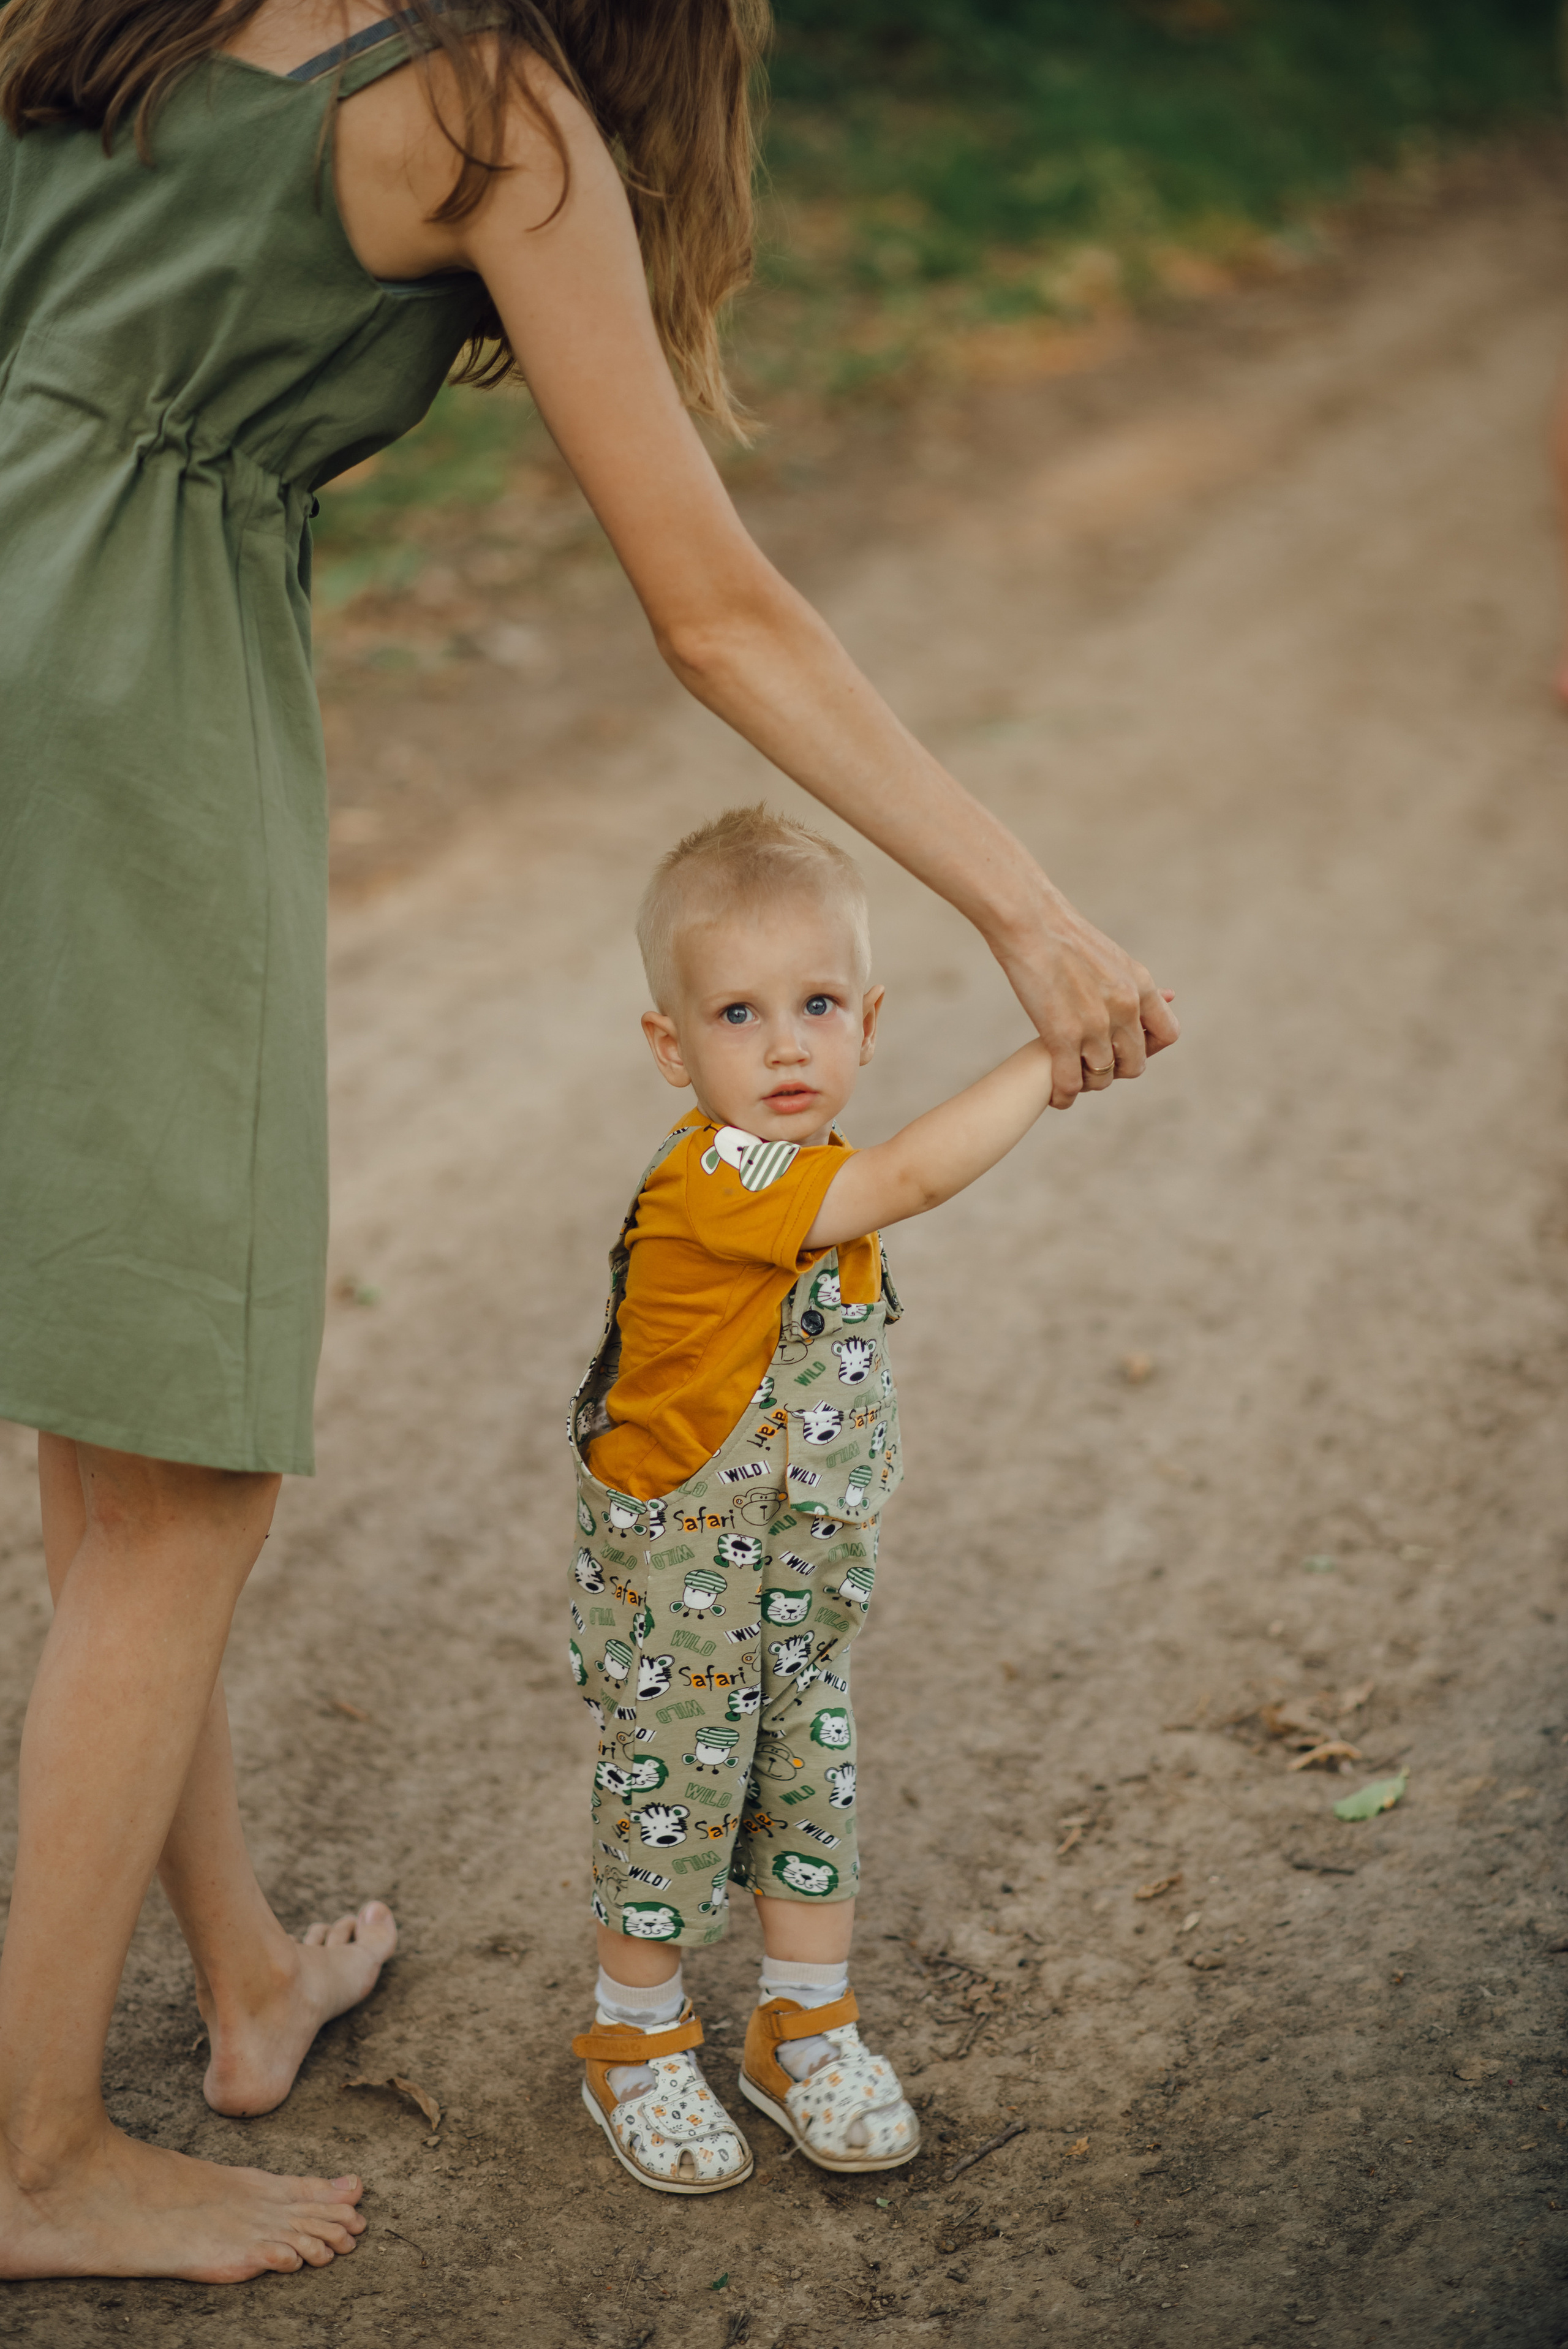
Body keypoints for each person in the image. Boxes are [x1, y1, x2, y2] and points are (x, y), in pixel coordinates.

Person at [0, 0, 1177, 2287]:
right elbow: (717, 605)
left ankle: (243, 1975)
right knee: (182, 1464)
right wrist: (1025, 906)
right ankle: (29, 2157)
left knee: (106, 1406)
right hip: (116, 706)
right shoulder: (480, 99)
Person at [567, 808, 1175, 2190]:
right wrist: (1051, 1050)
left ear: (865, 1020)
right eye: (737, 1012)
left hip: (794, 1578)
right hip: (683, 1589)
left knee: (807, 1790)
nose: (785, 1045)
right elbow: (909, 1175)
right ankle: (636, 2041)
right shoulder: (725, 1180)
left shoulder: (805, 1180)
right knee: (668, 1801)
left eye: (817, 1004)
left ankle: (803, 2028)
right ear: (672, 1046)